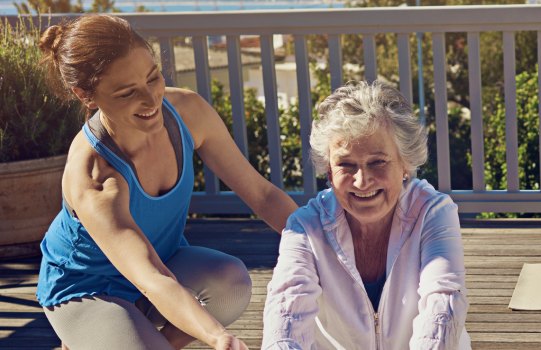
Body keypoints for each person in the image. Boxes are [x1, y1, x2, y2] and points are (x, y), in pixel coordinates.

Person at [35, 14, 298, 350]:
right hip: (89, 288)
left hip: (165, 260)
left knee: (231, 283)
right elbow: (151, 279)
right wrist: (218, 337)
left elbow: (261, 194)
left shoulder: (187, 112)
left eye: (153, 77)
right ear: (85, 95)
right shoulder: (94, 174)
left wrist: (327, 249)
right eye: (128, 92)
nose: (151, 99)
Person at [261, 81, 471, 349]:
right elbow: (285, 315)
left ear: (405, 164)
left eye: (378, 162)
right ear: (328, 171)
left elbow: (443, 304)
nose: (362, 182)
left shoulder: (434, 212)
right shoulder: (305, 226)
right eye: (346, 165)